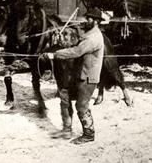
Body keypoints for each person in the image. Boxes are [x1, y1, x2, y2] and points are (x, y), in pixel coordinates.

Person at [43, 8, 106, 144]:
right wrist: (62, 42)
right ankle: (67, 130)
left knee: (81, 105)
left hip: (89, 77)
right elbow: (77, 43)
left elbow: (78, 51)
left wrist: (56, 54)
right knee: (64, 97)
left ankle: (89, 135)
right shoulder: (89, 34)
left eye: (89, 18)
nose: (85, 20)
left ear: (96, 21)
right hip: (79, 74)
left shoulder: (95, 38)